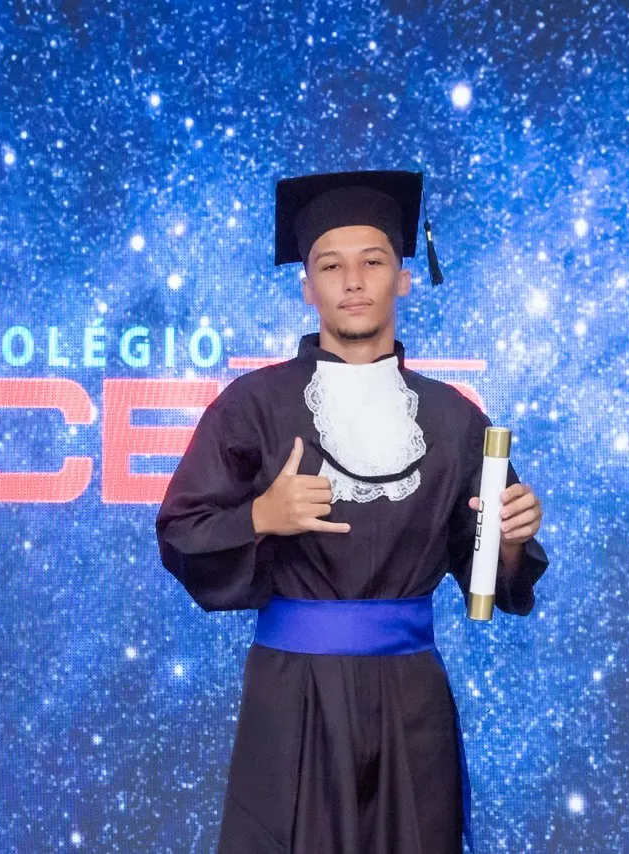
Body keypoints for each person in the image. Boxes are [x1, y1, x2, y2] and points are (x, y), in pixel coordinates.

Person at [155, 169, 549, 854]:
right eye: (330, 266)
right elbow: (180, 534)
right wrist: (260, 516)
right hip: (292, 694)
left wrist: (510, 539)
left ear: (403, 278)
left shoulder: (456, 419)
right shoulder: (253, 406)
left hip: (411, 696)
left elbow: (485, 577)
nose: (353, 282)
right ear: (307, 287)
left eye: (373, 261)